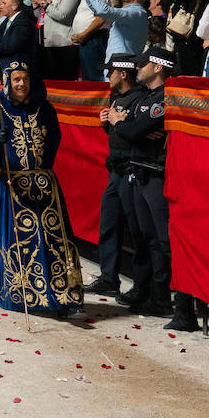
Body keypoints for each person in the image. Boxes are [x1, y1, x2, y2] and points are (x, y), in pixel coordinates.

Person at [0, 60, 85, 318]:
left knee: (55, 241)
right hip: (13, 187)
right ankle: (22, 294)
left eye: (25, 79)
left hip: (45, 186)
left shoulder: (45, 110)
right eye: (16, 80)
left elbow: (54, 139)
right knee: (18, 241)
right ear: (7, 83)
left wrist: (42, 168)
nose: (21, 84)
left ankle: (63, 294)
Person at [85, 54, 149, 303]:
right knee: (108, 225)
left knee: (137, 231)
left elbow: (136, 134)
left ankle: (141, 287)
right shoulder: (116, 97)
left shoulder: (141, 98)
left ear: (123, 74)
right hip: (114, 171)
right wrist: (107, 124)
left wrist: (119, 124)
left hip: (131, 170)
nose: (106, 75)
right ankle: (109, 278)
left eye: (110, 71)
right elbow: (118, 130)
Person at [120, 47, 176, 320]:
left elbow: (131, 129)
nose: (137, 68)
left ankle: (163, 298)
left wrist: (125, 124)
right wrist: (127, 124)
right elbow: (130, 130)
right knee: (146, 238)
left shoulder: (165, 98)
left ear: (157, 67)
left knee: (161, 241)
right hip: (140, 169)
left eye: (142, 64)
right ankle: (151, 294)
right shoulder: (146, 97)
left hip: (155, 174)